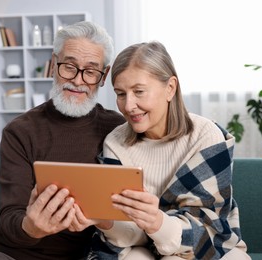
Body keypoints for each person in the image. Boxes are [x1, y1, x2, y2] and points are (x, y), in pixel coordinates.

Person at [0, 21, 125, 260]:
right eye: (69, 67)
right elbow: (9, 216)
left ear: (103, 76)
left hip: (91, 254)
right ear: (54, 65)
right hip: (18, 252)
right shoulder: (19, 131)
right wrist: (31, 226)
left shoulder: (119, 128)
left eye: (90, 71)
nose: (77, 80)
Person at [87, 41, 250, 259]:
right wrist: (105, 221)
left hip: (206, 243)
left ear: (170, 88)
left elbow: (208, 227)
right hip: (143, 245)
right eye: (120, 93)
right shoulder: (115, 143)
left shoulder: (205, 135)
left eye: (139, 91)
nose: (128, 106)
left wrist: (157, 221)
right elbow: (128, 233)